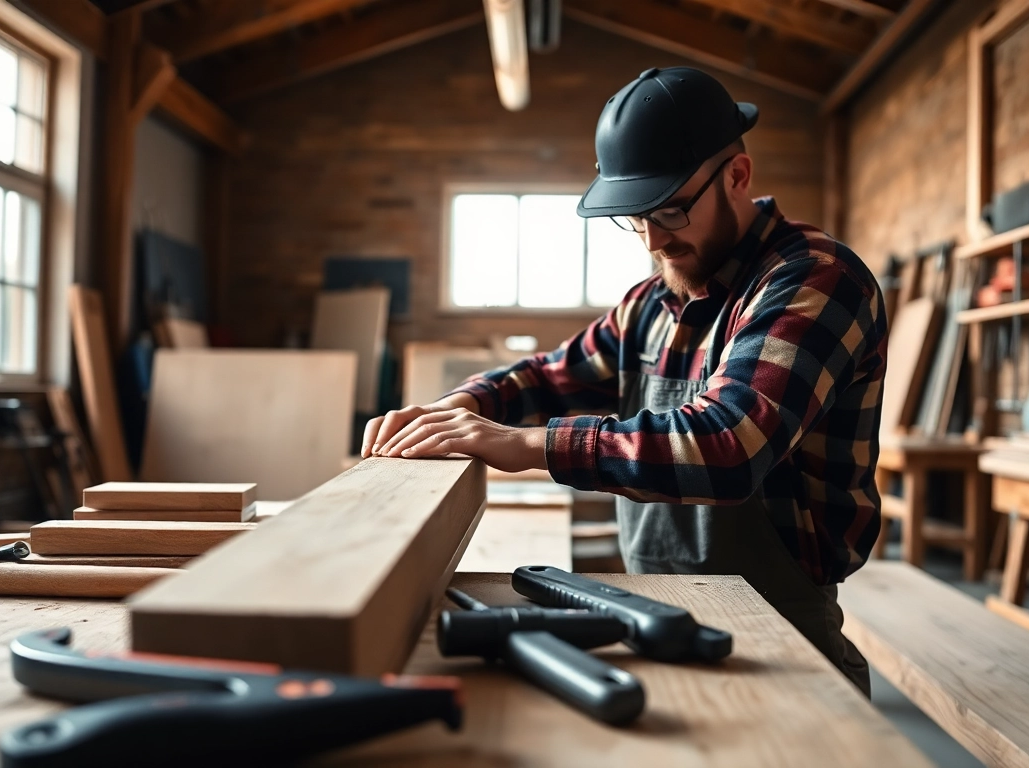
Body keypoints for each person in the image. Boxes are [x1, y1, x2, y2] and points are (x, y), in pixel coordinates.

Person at [360, 67, 885, 695]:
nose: (655, 241)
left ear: (737, 177)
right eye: (635, 218)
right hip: (654, 613)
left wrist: (527, 446)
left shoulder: (814, 281)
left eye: (670, 210)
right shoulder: (649, 303)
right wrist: (460, 407)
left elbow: (727, 446)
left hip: (786, 634)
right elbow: (550, 376)